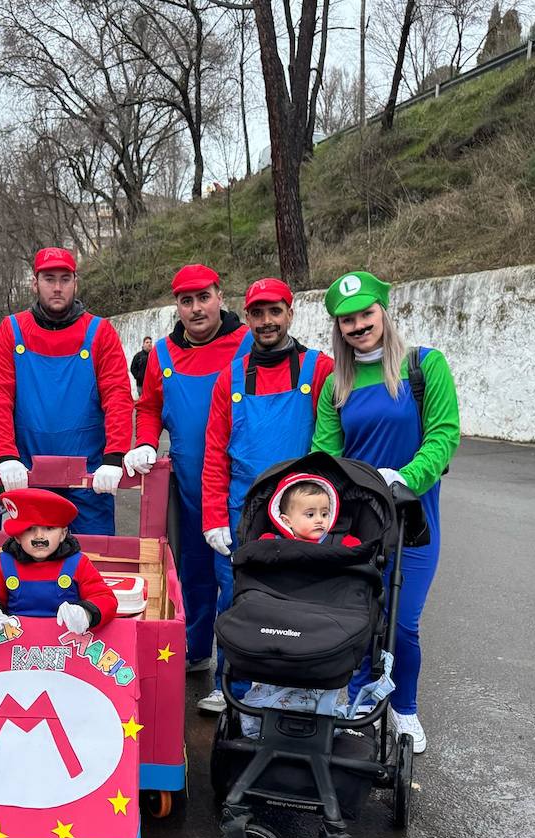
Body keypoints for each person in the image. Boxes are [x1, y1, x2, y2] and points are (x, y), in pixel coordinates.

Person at [311, 271, 459, 754]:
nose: (358, 326)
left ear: (383, 313)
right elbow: (326, 454)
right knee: (357, 615)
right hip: (359, 522)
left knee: (401, 622)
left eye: (365, 314)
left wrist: (405, 478)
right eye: (347, 320)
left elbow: (443, 435)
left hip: (413, 522)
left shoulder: (424, 366)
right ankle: (356, 696)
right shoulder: (337, 383)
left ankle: (405, 709)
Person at [200, 277, 334, 714]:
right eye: (257, 313)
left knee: (298, 603)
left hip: (303, 513)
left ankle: (294, 689)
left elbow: (337, 442)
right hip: (243, 514)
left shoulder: (320, 370)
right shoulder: (230, 378)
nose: (266, 321)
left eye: (274, 311)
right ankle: (233, 687)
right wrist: (212, 517)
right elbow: (215, 454)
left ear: (290, 313)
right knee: (236, 600)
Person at [123, 265, 252, 676]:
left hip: (241, 488)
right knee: (192, 574)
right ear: (177, 306)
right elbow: (149, 408)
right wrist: (145, 441)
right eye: (186, 301)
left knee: (236, 580)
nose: (196, 309)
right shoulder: (161, 353)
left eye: (204, 298)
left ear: (220, 297)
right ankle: (196, 653)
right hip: (189, 487)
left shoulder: (249, 343)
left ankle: (233, 675)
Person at [0, 247, 131, 535]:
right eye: (49, 278)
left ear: (75, 282)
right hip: (28, 475)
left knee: (94, 562)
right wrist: (5, 454)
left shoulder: (100, 332)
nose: (58, 287)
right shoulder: (11, 331)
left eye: (65, 279)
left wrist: (115, 455)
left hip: (88, 478)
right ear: (35, 283)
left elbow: (118, 396)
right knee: (30, 570)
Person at [0, 488, 119, 633]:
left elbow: (105, 598)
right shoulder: (4, 562)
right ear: (17, 536)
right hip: (15, 643)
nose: (39, 537)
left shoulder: (78, 563)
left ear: (63, 534)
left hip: (66, 644)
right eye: (30, 529)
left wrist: (85, 613)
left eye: (49, 528)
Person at [259, 472, 359, 546]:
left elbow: (359, 551)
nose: (320, 520)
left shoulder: (341, 542)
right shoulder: (272, 542)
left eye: (324, 514)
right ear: (287, 521)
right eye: (310, 515)